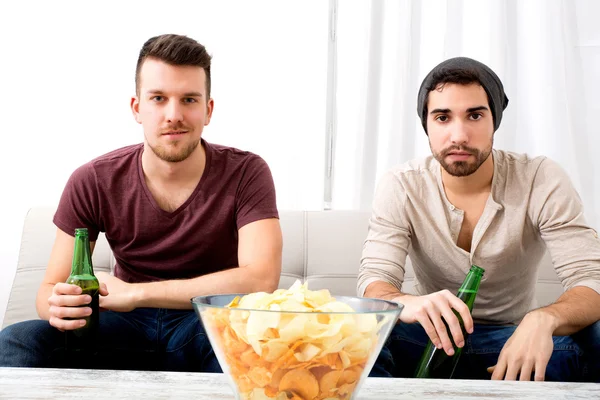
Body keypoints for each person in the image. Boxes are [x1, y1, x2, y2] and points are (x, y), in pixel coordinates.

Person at [0, 34, 283, 372]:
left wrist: (136, 294)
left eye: (189, 100)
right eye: (159, 98)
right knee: (15, 342)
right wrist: (60, 307)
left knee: (268, 356)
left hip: (209, 324)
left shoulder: (247, 172)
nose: (173, 115)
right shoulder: (93, 178)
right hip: (120, 326)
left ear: (208, 110)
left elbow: (260, 280)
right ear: (137, 108)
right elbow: (49, 290)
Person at [359, 57, 600, 382]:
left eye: (474, 115)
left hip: (518, 343)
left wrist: (544, 319)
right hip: (426, 342)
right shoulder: (401, 184)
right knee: (361, 328)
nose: (459, 135)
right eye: (443, 117)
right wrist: (406, 303)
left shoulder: (540, 178)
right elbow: (375, 280)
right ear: (427, 124)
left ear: (494, 121)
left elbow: (590, 277)